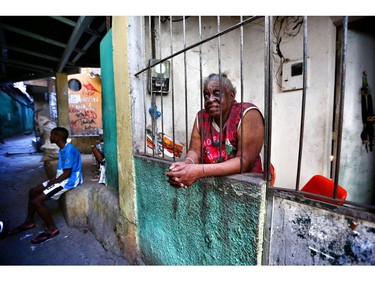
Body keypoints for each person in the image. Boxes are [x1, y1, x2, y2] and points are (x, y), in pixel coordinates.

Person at [166, 73, 265, 188]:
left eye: (217, 93)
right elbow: (195, 151)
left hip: (245, 187)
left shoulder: (248, 113)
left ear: (231, 96)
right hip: (213, 187)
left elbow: (244, 162)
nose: (210, 99)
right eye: (206, 95)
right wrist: (186, 165)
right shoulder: (202, 117)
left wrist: (200, 171)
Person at [8, 127, 83, 244]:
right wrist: (52, 180)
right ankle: (29, 222)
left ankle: (52, 229)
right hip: (61, 177)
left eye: (52, 135)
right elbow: (62, 171)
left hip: (70, 180)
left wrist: (53, 182)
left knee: (37, 201)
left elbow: (67, 173)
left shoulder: (68, 150)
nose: (50, 137)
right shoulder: (63, 149)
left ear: (57, 137)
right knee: (32, 191)